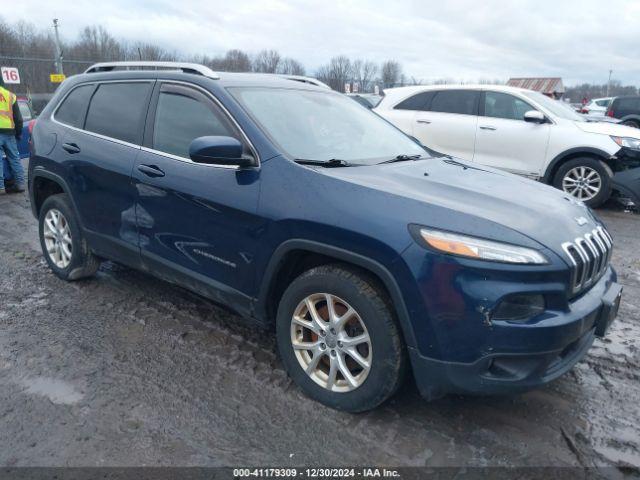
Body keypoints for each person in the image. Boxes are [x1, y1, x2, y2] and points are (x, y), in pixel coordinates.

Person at [0, 76, 24, 195]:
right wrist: (19, 133)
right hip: (9, 132)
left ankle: (1, 187)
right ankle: (20, 184)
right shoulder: (10, 95)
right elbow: (18, 119)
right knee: (14, 158)